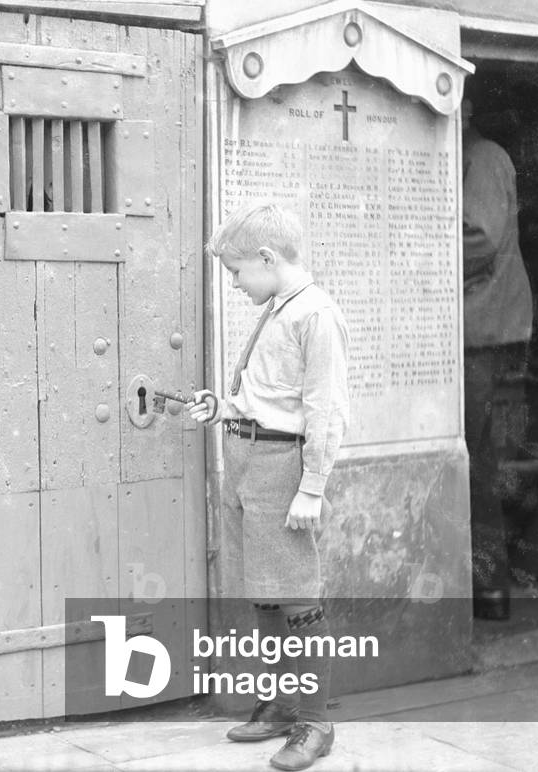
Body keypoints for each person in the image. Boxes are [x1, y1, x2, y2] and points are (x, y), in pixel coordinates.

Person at [189, 202, 349, 771]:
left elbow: (325, 411)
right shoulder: (279, 307)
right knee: (263, 590)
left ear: (266, 257)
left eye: (237, 272)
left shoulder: (315, 315)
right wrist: (223, 407)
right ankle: (282, 705)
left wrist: (312, 486)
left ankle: (315, 722)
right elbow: (268, 396)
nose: (235, 284)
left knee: (297, 595)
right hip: (246, 460)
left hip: (283, 467)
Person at [462, 98, 534, 620]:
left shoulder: (482, 157)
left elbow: (479, 235)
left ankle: (489, 592)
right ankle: (488, 591)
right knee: (481, 463)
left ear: (466, 112)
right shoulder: (476, 156)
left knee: (477, 464)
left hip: (484, 330)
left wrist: (416, 250)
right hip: (485, 329)